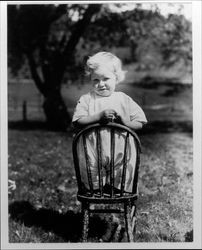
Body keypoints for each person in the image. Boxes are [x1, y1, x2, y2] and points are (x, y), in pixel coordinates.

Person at [72, 52, 147, 192]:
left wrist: (125, 122)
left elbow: (140, 122)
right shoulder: (87, 99)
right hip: (92, 148)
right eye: (95, 80)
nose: (101, 84)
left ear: (116, 78)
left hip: (121, 149)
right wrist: (98, 117)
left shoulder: (123, 99)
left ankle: (117, 190)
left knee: (124, 170)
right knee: (88, 169)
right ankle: (93, 190)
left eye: (105, 79)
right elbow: (77, 121)